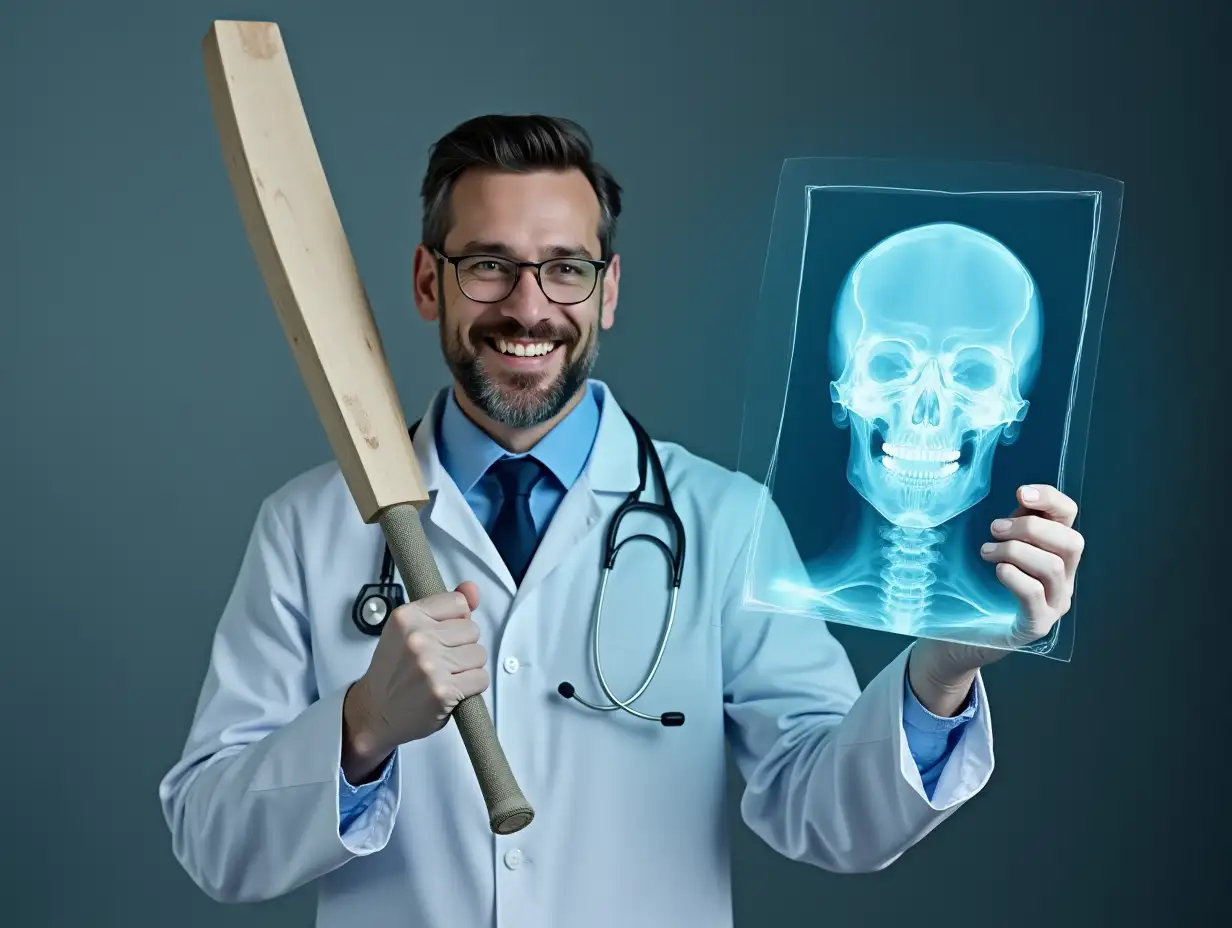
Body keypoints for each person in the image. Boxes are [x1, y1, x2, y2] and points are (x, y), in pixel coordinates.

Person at [158, 114, 1086, 927]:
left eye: (564, 270)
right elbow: (211, 842)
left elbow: (826, 814)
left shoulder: (723, 521)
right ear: (427, 282)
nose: (529, 308)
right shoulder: (308, 528)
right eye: (489, 266)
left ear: (606, 289)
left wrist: (939, 671)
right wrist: (362, 726)